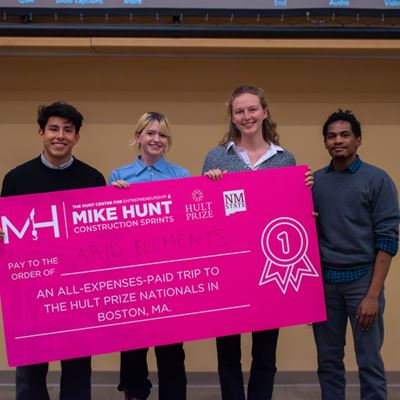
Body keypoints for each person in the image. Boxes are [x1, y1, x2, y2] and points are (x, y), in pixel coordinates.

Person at [202, 85, 312, 400]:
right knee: (227, 355)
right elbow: (206, 214)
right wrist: (207, 185)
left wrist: (303, 190)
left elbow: (292, 214)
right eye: (240, 111)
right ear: (232, 117)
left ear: (264, 111)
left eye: (252, 109)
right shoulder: (216, 157)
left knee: (265, 355)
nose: (247, 116)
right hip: (229, 267)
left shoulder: (284, 158)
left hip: (269, 267)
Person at [0, 102, 106, 400]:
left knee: (76, 369)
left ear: (76, 137)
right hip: (30, 290)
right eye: (54, 129)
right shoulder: (17, 179)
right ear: (41, 134)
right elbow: (6, 232)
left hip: (77, 291)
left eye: (68, 130)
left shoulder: (92, 179)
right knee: (31, 371)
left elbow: (101, 238)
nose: (60, 136)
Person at [312, 109, 399, 400]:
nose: (338, 140)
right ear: (325, 142)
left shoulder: (378, 179)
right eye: (331, 136)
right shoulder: (315, 183)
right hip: (324, 284)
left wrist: (373, 295)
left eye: (344, 134)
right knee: (328, 363)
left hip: (363, 282)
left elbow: (388, 240)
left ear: (358, 140)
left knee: (369, 362)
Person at [109, 111, 189, 400]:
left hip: (169, 277)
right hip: (133, 278)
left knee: (171, 352)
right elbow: (110, 230)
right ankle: (134, 393)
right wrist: (112, 198)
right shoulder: (119, 177)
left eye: (163, 135)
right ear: (138, 137)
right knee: (133, 349)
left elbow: (187, 223)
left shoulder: (181, 176)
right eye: (150, 133)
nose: (157, 139)